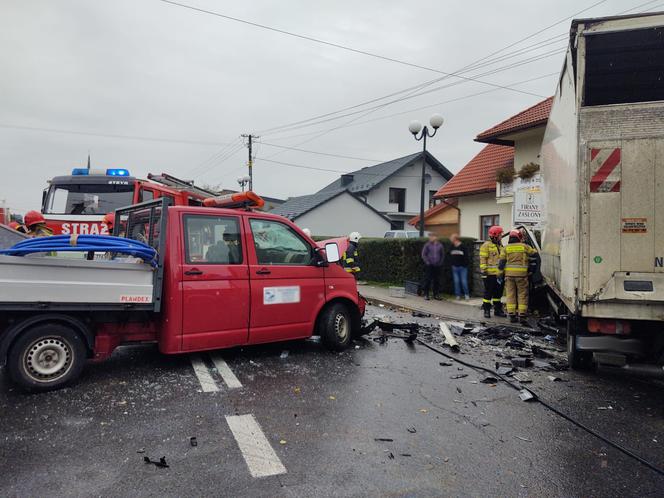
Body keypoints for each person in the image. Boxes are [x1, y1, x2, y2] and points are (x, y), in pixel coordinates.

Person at [504, 228, 538, 324]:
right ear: (519, 237)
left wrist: (499, 274)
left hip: (509, 276)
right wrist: (531, 269)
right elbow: (535, 254)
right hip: (522, 276)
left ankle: (512, 315)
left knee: (510, 294)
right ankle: (522, 316)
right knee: (522, 294)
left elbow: (501, 262)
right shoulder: (525, 247)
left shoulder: (506, 248)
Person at [479, 225, 506, 318]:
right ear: (494, 235)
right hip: (489, 275)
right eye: (500, 235)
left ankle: (497, 310)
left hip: (499, 275)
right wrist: (484, 271)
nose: (501, 237)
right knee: (488, 293)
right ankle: (486, 310)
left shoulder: (501, 245)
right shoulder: (486, 245)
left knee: (498, 294)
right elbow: (483, 259)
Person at [421, 232, 444, 300]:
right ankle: (426, 294)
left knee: (436, 280)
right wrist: (427, 262)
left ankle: (436, 295)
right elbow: (423, 254)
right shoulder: (427, 245)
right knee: (428, 280)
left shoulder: (440, 245)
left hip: (437, 265)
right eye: (430, 237)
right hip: (429, 265)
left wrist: (440, 262)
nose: (430, 238)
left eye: (432, 236)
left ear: (436, 237)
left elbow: (442, 255)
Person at [448, 233, 470, 300]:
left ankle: (466, 295)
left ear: (455, 239)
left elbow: (466, 257)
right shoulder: (451, 246)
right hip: (454, 267)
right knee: (456, 281)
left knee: (464, 281)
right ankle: (458, 295)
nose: (450, 239)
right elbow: (449, 255)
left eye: (451, 238)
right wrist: (451, 263)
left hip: (463, 268)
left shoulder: (463, 246)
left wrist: (464, 265)